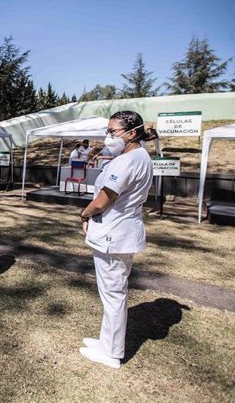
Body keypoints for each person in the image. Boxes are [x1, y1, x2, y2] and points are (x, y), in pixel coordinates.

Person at [79, 111, 158, 369]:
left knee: (113, 293)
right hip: (120, 231)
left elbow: (104, 199)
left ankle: (111, 352)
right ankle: (106, 342)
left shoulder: (128, 160)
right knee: (111, 291)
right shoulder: (139, 156)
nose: (108, 136)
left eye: (112, 132)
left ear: (131, 133)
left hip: (114, 234)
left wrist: (84, 213)